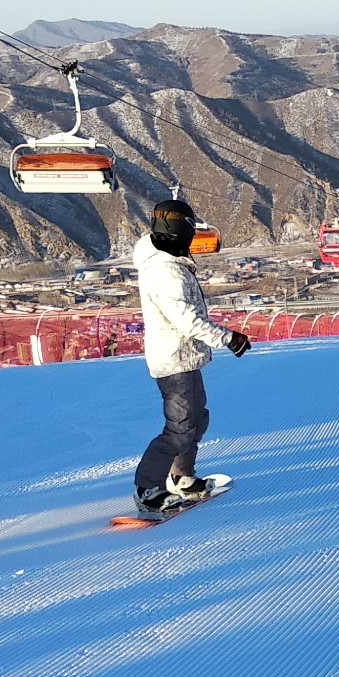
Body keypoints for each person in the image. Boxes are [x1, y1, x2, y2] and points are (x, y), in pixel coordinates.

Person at [132, 199, 250, 517]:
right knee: (180, 428)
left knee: (196, 421)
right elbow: (187, 320)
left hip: (185, 358)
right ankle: (148, 489)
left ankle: (182, 478)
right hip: (172, 360)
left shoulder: (169, 262)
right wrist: (229, 338)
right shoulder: (166, 272)